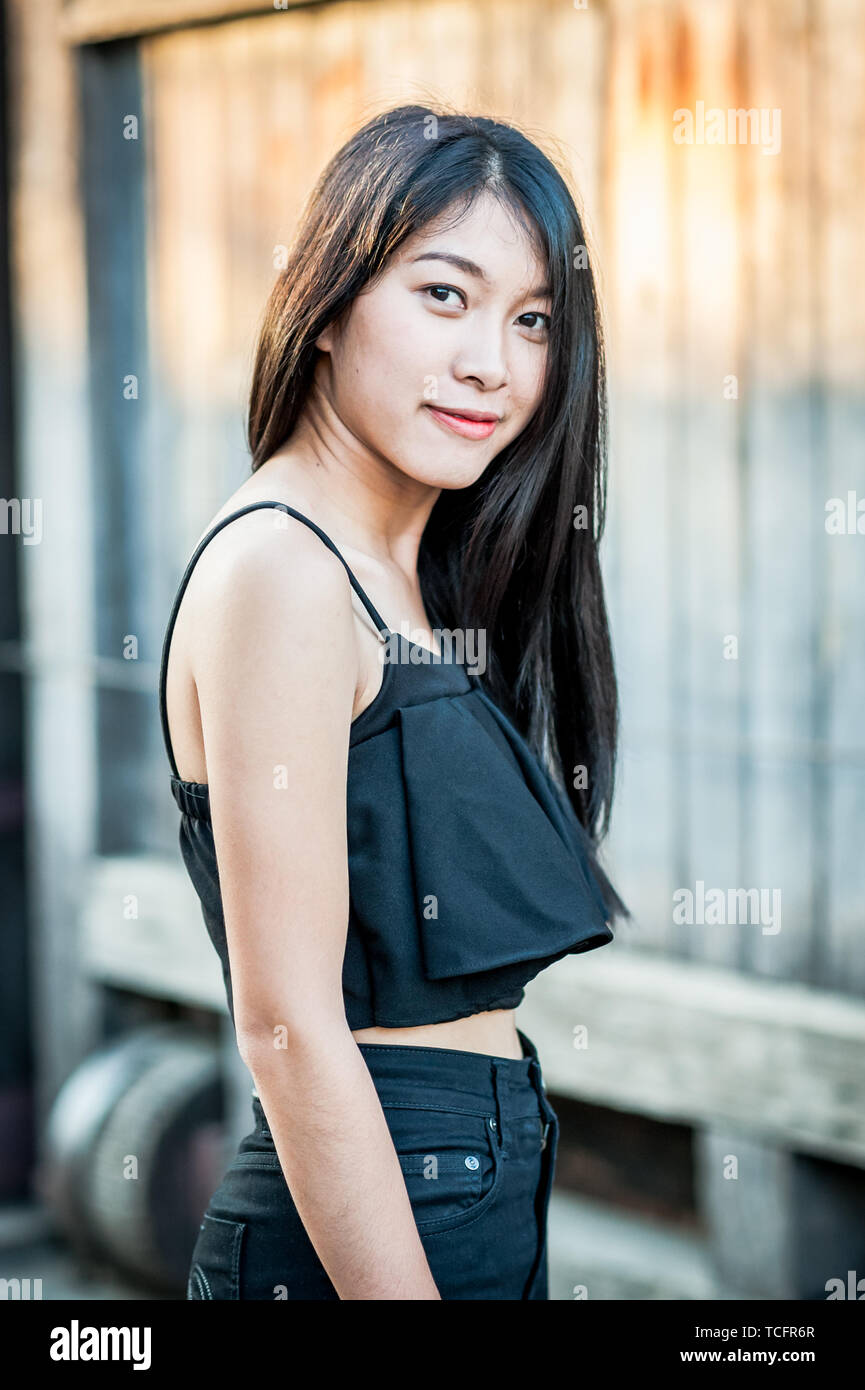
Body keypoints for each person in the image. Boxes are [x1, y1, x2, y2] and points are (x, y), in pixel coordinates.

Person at [158, 102, 629, 1301]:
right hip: (378, 1208)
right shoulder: (285, 570)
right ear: (327, 305)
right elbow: (285, 1023)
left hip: (461, 1181)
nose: (493, 362)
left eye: (532, 321)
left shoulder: (397, 575)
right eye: (443, 295)